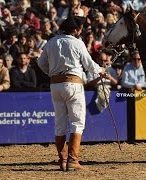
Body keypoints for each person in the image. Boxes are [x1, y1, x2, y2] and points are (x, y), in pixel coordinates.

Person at [37, 16, 105, 171]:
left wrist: (52, 73)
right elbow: (89, 65)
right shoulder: (77, 43)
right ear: (75, 30)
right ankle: (73, 160)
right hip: (73, 84)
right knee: (77, 122)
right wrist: (101, 70)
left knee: (59, 123)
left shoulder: (51, 42)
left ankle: (63, 160)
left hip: (55, 84)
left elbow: (40, 63)